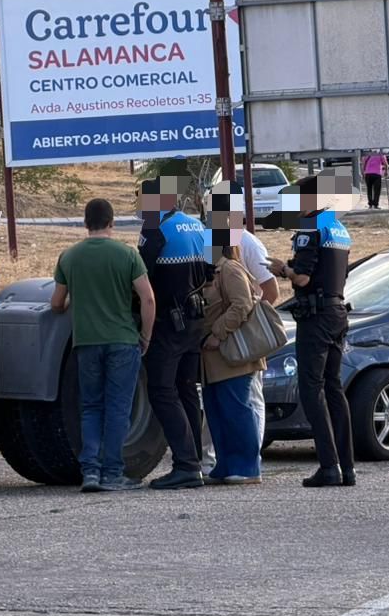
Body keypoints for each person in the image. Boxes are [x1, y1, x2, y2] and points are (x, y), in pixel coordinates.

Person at [51, 198, 157, 493]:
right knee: (118, 409)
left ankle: (91, 473)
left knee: (91, 407)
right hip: (123, 340)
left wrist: (78, 300)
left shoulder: (69, 256)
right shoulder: (127, 254)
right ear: (112, 222)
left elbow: (56, 303)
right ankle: (113, 473)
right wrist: (146, 335)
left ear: (85, 224)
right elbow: (148, 299)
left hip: (87, 342)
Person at [268, 174, 355, 488]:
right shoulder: (339, 229)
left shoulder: (310, 228)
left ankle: (329, 466)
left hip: (316, 317)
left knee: (311, 389)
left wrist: (283, 270)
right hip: (337, 312)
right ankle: (347, 467)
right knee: (334, 389)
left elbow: (302, 278)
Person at [138, 174, 211, 490]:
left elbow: (140, 276)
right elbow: (211, 270)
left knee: (163, 392)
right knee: (186, 391)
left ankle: (185, 465)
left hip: (168, 323)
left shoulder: (155, 230)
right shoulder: (197, 226)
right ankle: (194, 461)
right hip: (195, 320)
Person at [210, 181, 279, 446]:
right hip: (221, 336)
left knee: (251, 398)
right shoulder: (215, 239)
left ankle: (252, 457)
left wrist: (248, 330)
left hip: (241, 335)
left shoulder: (248, 243)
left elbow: (270, 291)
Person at [200, 235, 266, 485]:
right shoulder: (213, 271)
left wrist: (218, 332)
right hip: (214, 359)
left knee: (237, 408)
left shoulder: (230, 268)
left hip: (232, 355)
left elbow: (242, 304)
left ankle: (247, 467)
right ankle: (225, 463)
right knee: (217, 410)